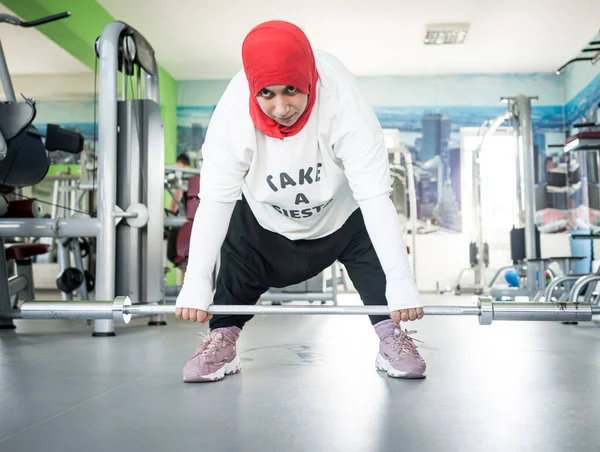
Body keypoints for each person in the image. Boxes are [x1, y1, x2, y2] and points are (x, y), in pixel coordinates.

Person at [175, 20, 426, 382]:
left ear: (309, 77)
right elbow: (214, 201)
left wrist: (402, 283)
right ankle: (222, 339)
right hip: (264, 221)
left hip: (342, 216)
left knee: (378, 260)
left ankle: (392, 335)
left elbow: (374, 196)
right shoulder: (231, 118)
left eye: (291, 90)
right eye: (267, 94)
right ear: (252, 89)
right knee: (234, 249)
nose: (280, 107)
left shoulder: (343, 102)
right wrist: (196, 281)